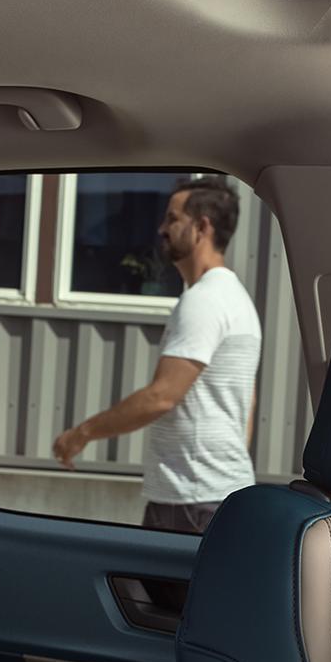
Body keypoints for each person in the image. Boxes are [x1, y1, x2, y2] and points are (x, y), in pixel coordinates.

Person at [53, 177, 261, 534]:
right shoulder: (236, 298)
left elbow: (160, 397)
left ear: (202, 227)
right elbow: (247, 403)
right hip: (214, 493)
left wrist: (81, 434)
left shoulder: (204, 301)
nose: (162, 228)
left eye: (172, 218)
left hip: (192, 501)